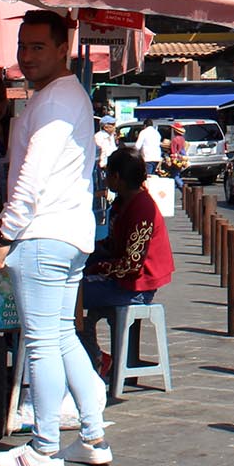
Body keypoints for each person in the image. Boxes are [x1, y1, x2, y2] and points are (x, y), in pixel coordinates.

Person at [0, 10, 111, 466]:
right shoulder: (61, 96)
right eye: (22, 46)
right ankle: (93, 436)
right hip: (65, 234)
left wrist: (4, 233)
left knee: (40, 342)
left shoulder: (58, 99)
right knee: (60, 335)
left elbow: (32, 176)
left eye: (38, 46)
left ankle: (42, 447)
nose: (27, 55)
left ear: (63, 49)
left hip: (43, 233)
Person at [80, 148, 175, 367]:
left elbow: (131, 265)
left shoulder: (142, 208)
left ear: (117, 178)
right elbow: (111, 245)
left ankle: (96, 358)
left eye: (108, 174)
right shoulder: (123, 203)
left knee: (69, 297)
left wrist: (96, 269)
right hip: (124, 279)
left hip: (135, 287)